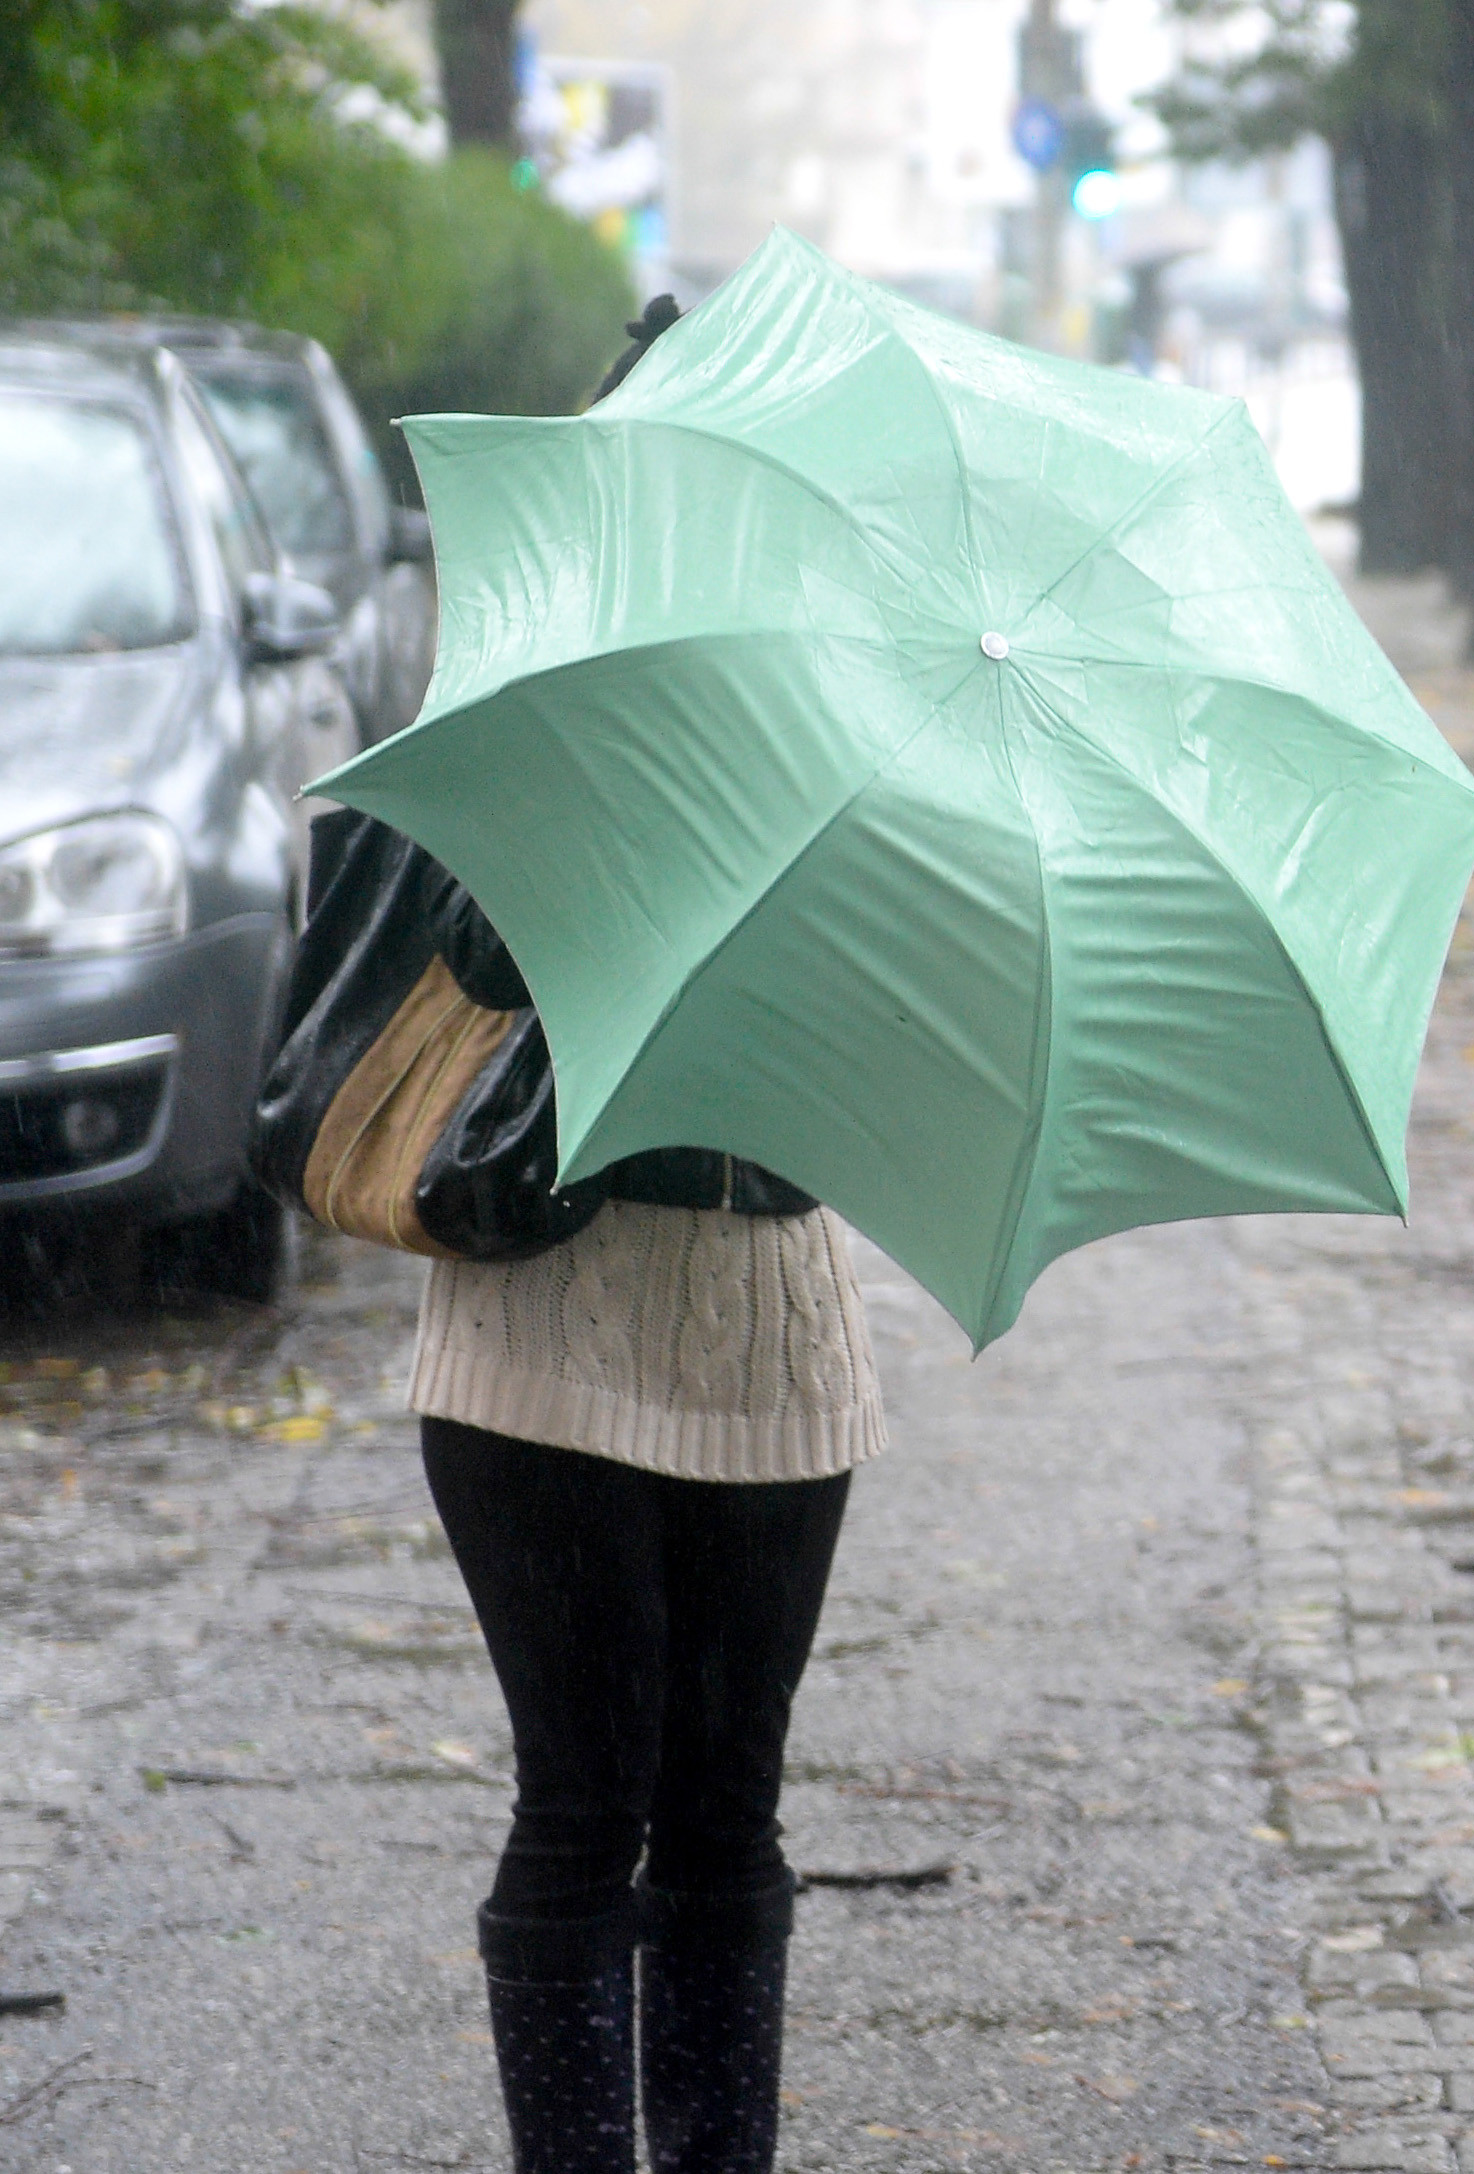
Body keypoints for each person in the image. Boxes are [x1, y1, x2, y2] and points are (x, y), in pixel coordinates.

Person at [412, 297, 887, 2174]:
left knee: (724, 1812)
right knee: (580, 1797)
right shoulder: (529, 687)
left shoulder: (871, 718)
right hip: (544, 1327)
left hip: (770, 1324)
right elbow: (474, 946)